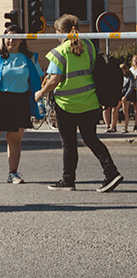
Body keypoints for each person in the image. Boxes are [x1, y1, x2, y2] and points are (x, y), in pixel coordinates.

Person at [35, 14, 123, 192]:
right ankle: (111, 172)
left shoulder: (59, 51)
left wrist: (40, 93)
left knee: (69, 144)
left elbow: (54, 80)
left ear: (60, 32)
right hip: (90, 102)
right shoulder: (89, 45)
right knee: (91, 139)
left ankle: (68, 181)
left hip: (67, 105)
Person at [0, 25, 43, 185]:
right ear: (4, 39)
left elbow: (38, 78)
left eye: (15, 37)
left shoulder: (29, 58)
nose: (11, 40)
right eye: (8, 37)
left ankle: (13, 173)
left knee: (15, 139)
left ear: (21, 39)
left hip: (20, 102)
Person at [119, 62, 135, 133]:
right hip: (122, 94)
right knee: (121, 110)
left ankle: (126, 127)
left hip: (127, 95)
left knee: (126, 111)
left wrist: (125, 96)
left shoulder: (130, 76)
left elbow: (131, 87)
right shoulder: (122, 76)